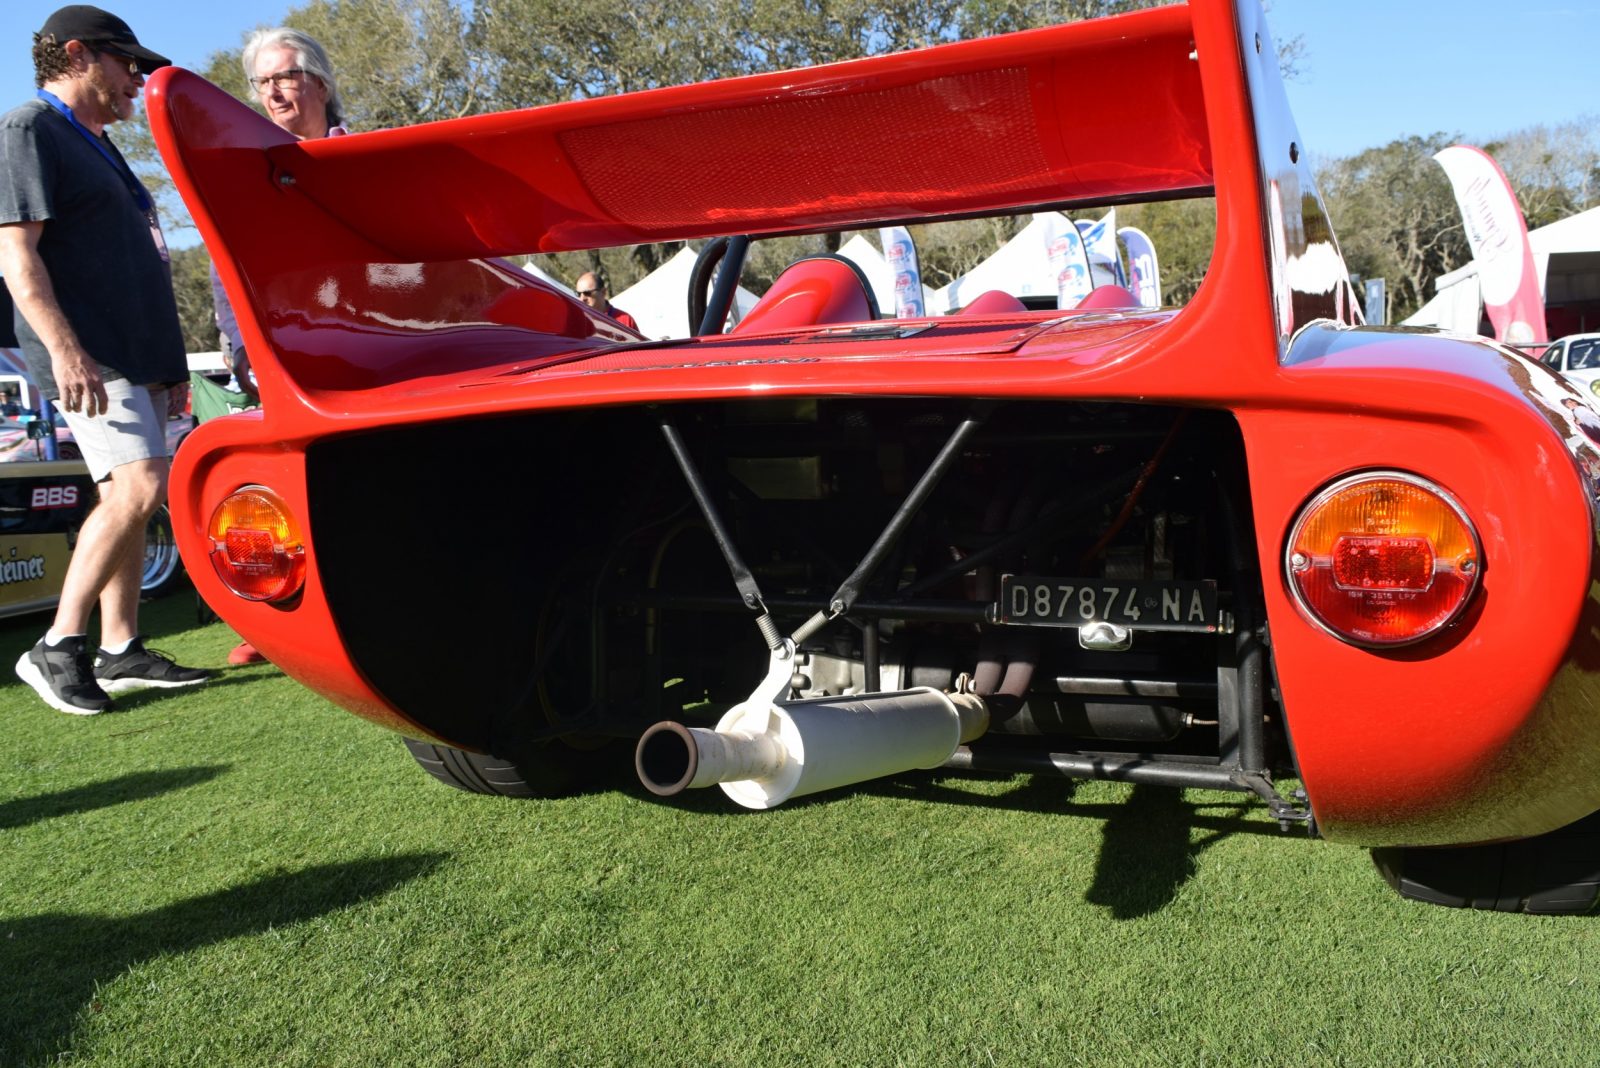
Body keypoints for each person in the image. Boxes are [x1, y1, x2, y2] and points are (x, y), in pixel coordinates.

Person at [1, 5, 212, 714]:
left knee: (131, 495)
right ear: (79, 54)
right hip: (88, 355)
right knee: (137, 486)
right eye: (128, 64)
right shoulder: (29, 127)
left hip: (137, 355)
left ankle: (120, 649)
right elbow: (16, 256)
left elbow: (132, 263)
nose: (137, 81)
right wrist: (65, 351)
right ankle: (57, 645)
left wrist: (170, 365)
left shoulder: (98, 143)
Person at [208, 26, 347, 666]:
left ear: (318, 82)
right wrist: (241, 351)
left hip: (359, 347)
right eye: (262, 82)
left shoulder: (366, 157)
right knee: (286, 485)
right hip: (276, 355)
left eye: (285, 76)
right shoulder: (241, 175)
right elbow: (224, 269)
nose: (273, 92)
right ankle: (278, 622)